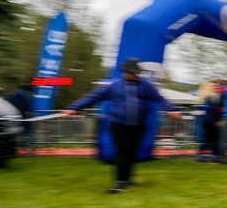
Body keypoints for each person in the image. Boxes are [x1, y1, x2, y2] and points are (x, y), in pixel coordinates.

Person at [61, 58, 180, 193]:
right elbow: (92, 98)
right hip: (119, 124)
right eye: (132, 73)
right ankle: (120, 182)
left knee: (132, 152)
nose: (135, 75)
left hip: (138, 125)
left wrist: (172, 109)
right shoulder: (114, 86)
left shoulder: (146, 85)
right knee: (122, 151)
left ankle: (128, 179)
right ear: (126, 72)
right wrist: (74, 108)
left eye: (137, 73)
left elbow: (160, 98)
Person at [194, 80, 223, 162]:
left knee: (209, 139)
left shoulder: (214, 96)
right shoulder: (211, 97)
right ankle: (212, 156)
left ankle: (203, 155)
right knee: (212, 139)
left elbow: (213, 109)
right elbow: (211, 109)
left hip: (209, 120)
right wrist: (216, 120)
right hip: (210, 121)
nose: (216, 87)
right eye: (214, 86)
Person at [7, 82, 34, 153]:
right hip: (23, 118)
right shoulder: (25, 96)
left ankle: (12, 149)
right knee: (28, 133)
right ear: (29, 91)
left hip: (12, 117)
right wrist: (32, 115)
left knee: (13, 134)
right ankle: (29, 149)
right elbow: (28, 108)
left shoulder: (12, 94)